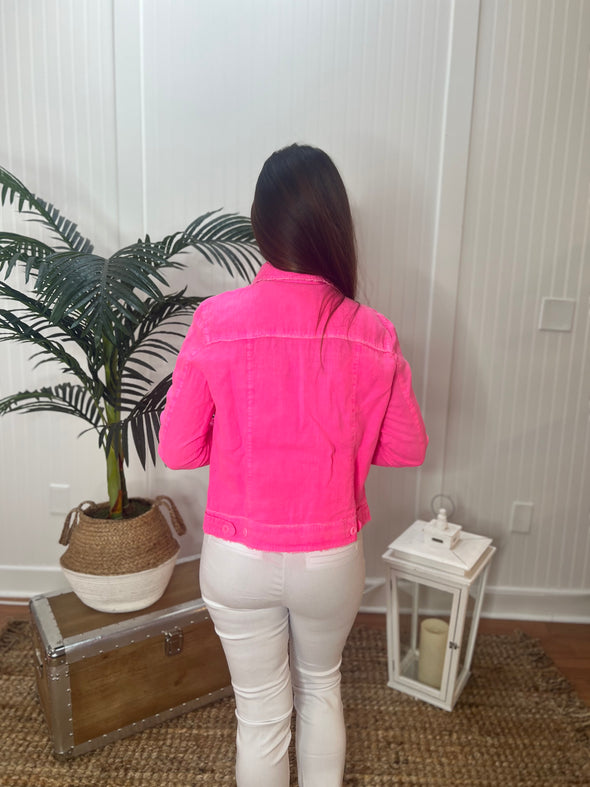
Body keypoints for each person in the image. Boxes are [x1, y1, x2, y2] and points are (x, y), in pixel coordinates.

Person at [158, 143, 428, 786]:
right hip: (329, 556)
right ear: (336, 226)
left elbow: (177, 449)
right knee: (322, 687)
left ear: (258, 226)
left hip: (236, 555)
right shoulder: (374, 332)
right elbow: (406, 448)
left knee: (259, 712)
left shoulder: (215, 323)